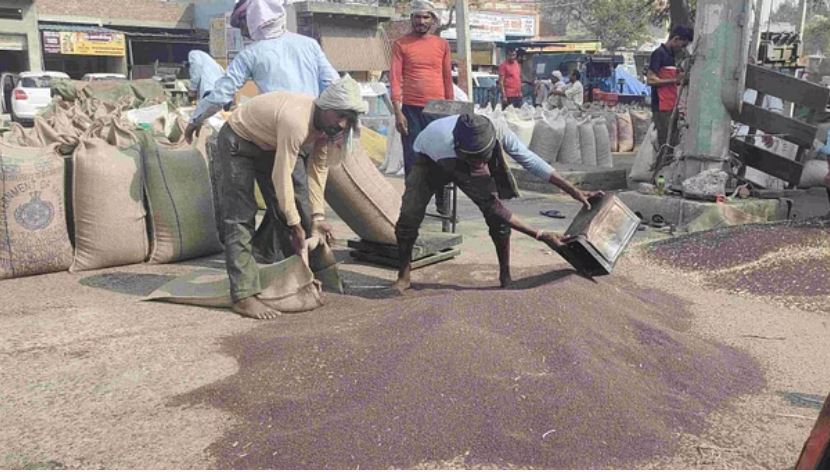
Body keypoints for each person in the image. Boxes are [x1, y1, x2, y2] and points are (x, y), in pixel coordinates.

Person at [185, 0, 340, 265]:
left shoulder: (252, 53)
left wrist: (196, 118)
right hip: (310, 128)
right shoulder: (308, 45)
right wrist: (333, 122)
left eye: (244, 23)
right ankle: (294, 262)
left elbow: (223, 91)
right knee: (288, 198)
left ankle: (300, 262)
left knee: (291, 199)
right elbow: (333, 85)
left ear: (254, 21)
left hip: (281, 133)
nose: (244, 30)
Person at [392, 113, 604, 294]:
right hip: (427, 161)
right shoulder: (444, 148)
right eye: (475, 161)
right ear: (460, 150)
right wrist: (540, 235)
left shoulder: (497, 130)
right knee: (409, 215)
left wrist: (573, 190)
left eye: (482, 159)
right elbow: (492, 206)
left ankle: (505, 275)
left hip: (462, 155)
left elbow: (529, 160)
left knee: (499, 223)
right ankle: (404, 274)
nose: (480, 165)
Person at [216, 76, 367, 320]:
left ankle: (302, 279)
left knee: (298, 208)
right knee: (240, 215)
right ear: (325, 107)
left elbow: (318, 172)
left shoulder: (326, 128)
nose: (341, 124)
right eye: (339, 116)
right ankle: (243, 296)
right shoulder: (297, 121)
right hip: (239, 140)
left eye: (348, 119)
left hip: (269, 143)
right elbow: (281, 175)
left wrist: (316, 217)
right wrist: (294, 223)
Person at [390, 0, 454, 176]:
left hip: (437, 108)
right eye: (417, 17)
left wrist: (451, 111)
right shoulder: (400, 44)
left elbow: (447, 79)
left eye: (426, 17)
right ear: (412, 19)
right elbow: (395, 78)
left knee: (440, 157)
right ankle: (414, 201)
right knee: (413, 158)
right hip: (411, 109)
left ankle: (442, 202)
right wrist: (398, 112)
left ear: (433, 19)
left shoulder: (442, 45)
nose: (421, 21)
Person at [647, 25, 694, 157]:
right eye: (682, 45)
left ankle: (666, 175)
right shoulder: (659, 54)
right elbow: (651, 80)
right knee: (665, 147)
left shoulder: (671, 57)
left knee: (672, 145)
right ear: (676, 39)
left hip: (671, 106)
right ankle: (661, 177)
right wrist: (674, 80)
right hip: (661, 108)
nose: (682, 49)